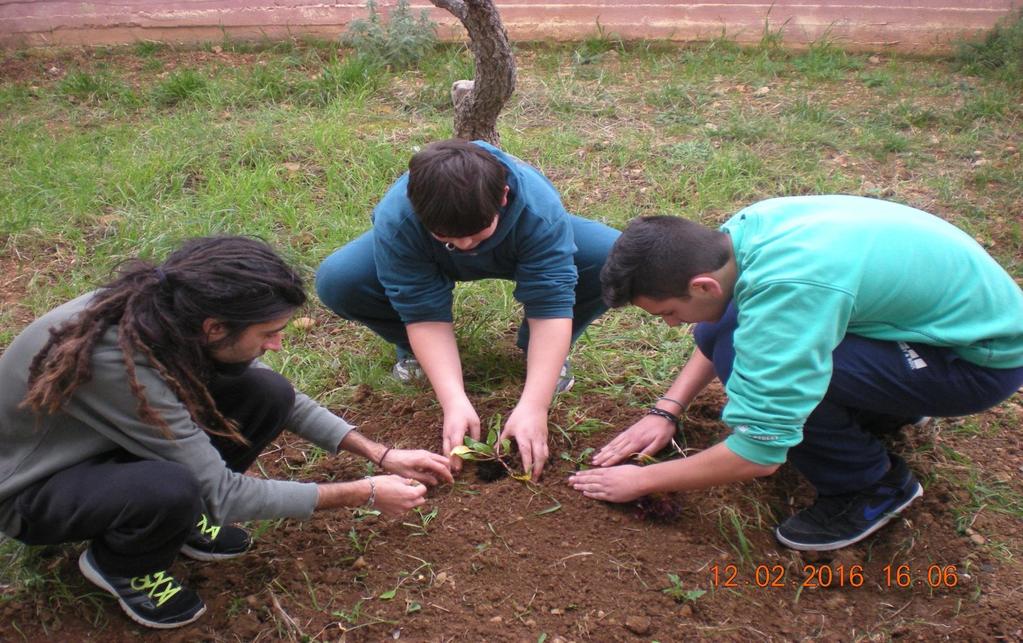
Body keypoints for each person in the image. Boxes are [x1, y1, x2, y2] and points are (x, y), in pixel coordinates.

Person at [0, 236, 453, 630]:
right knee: (174, 488)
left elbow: (287, 400)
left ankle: (178, 519)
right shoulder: (118, 361)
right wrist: (363, 492)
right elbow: (225, 494)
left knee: (265, 391)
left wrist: (380, 454)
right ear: (215, 328)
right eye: (268, 332)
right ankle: (122, 565)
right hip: (33, 490)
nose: (277, 344)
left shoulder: (173, 313)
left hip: (104, 445)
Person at [569, 195, 1023, 551]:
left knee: (749, 360)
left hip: (974, 363)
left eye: (668, 312)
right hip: (932, 329)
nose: (671, 325)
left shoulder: (789, 290)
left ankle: (871, 486)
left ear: (701, 284)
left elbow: (759, 455)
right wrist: (666, 410)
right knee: (726, 332)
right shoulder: (744, 234)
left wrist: (642, 480)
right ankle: (887, 404)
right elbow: (717, 324)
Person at [316, 139, 620, 480]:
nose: (461, 246)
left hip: (517, 244)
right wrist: (453, 401)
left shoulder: (538, 210)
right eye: (446, 237)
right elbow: (423, 313)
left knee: (613, 258)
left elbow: (551, 304)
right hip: (424, 257)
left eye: (475, 235)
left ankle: (541, 355)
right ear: (417, 212)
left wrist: (537, 405)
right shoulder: (399, 217)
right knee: (339, 280)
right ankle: (416, 354)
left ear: (503, 197)